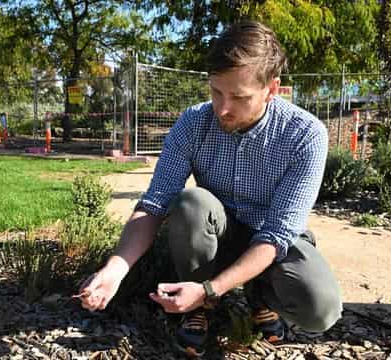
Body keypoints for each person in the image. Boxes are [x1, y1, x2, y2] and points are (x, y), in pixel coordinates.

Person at [77, 20, 342, 358]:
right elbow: (155, 202)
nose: (223, 108)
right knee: (190, 203)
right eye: (216, 91)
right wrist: (116, 267)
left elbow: (278, 234)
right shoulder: (194, 122)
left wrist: (209, 288)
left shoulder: (305, 135)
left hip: (270, 240)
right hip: (216, 233)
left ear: (271, 89)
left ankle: (256, 294)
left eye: (239, 97)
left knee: (320, 306)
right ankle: (198, 309)